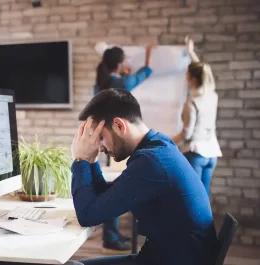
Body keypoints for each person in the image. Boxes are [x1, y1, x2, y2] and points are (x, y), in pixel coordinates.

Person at [70, 88, 217, 265]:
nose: (99, 146)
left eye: (101, 137)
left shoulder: (152, 162)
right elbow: (104, 199)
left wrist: (81, 159)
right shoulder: (158, 147)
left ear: (119, 125)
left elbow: (88, 216)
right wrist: (91, 161)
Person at [93, 43, 154, 253]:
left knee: (109, 187)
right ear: (118, 64)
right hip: (111, 140)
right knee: (113, 189)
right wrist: (147, 59)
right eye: (124, 59)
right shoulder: (119, 83)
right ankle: (110, 236)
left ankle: (111, 234)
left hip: (100, 139)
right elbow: (139, 77)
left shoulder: (102, 83)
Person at [172, 37, 222, 198]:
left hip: (195, 154)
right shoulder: (212, 94)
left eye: (187, 75)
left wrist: (168, 140)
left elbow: (187, 134)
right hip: (211, 154)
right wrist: (191, 52)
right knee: (203, 197)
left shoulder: (192, 103)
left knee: (192, 197)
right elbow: (204, 72)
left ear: (193, 79)